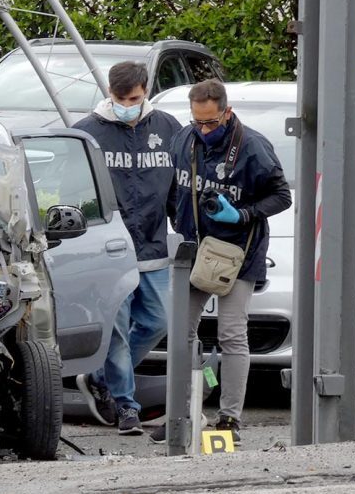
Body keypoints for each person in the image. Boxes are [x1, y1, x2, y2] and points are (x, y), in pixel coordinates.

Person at [151, 79, 291, 444]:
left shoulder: (253, 148)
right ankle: (183, 412)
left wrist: (243, 215)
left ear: (227, 113)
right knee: (180, 332)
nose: (204, 129)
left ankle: (229, 418)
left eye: (211, 122)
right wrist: (178, 224)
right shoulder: (184, 140)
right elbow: (172, 189)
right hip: (193, 251)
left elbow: (282, 196)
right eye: (197, 121)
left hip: (237, 252)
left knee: (231, 333)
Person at [72, 61, 181, 435]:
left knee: (158, 322)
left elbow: (177, 186)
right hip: (110, 251)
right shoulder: (87, 133)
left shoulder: (167, 128)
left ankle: (100, 377)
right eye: (120, 99)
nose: (126, 105)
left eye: (133, 99)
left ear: (145, 91)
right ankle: (125, 406)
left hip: (153, 247)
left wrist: (188, 227)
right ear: (110, 92)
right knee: (116, 331)